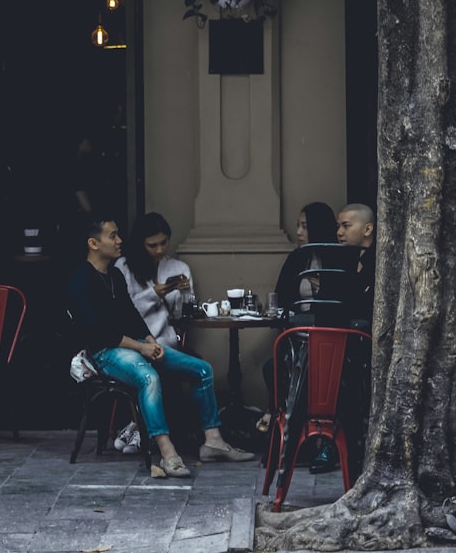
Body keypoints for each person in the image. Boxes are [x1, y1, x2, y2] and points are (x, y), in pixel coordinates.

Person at [67, 216, 254, 477]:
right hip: (104, 353)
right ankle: (168, 454)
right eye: (113, 236)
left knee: (201, 369)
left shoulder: (115, 275)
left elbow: (130, 314)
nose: (119, 240)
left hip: (133, 345)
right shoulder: (80, 280)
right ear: (93, 244)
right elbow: (100, 332)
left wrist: (150, 340)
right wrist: (141, 347)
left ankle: (213, 442)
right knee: (149, 377)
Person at [112, 212, 194, 453]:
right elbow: (124, 312)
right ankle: (141, 428)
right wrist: (154, 293)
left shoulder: (178, 267)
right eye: (152, 245)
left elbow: (181, 317)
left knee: (196, 367)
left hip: (165, 341)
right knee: (150, 371)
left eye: (164, 243)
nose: (159, 249)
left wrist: (184, 294)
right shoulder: (123, 267)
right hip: (133, 343)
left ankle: (156, 431)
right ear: (140, 243)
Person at [258, 202, 338, 433]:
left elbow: (341, 303)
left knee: (309, 374)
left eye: (305, 226)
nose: (299, 232)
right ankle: (287, 426)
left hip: (327, 339)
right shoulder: (297, 259)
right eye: (298, 226)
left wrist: (322, 288)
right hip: (296, 337)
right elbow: (281, 297)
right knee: (272, 367)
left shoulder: (336, 259)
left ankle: (296, 427)